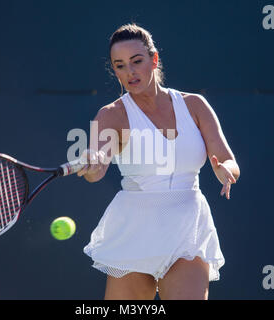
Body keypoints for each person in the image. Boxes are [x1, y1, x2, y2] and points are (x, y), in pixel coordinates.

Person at [78, 23, 240, 300]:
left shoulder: (195, 105)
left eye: (136, 61)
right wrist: (93, 161)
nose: (129, 72)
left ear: (154, 60)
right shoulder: (111, 115)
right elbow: (98, 165)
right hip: (134, 230)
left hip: (188, 226)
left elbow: (227, 159)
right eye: (120, 66)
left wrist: (225, 170)